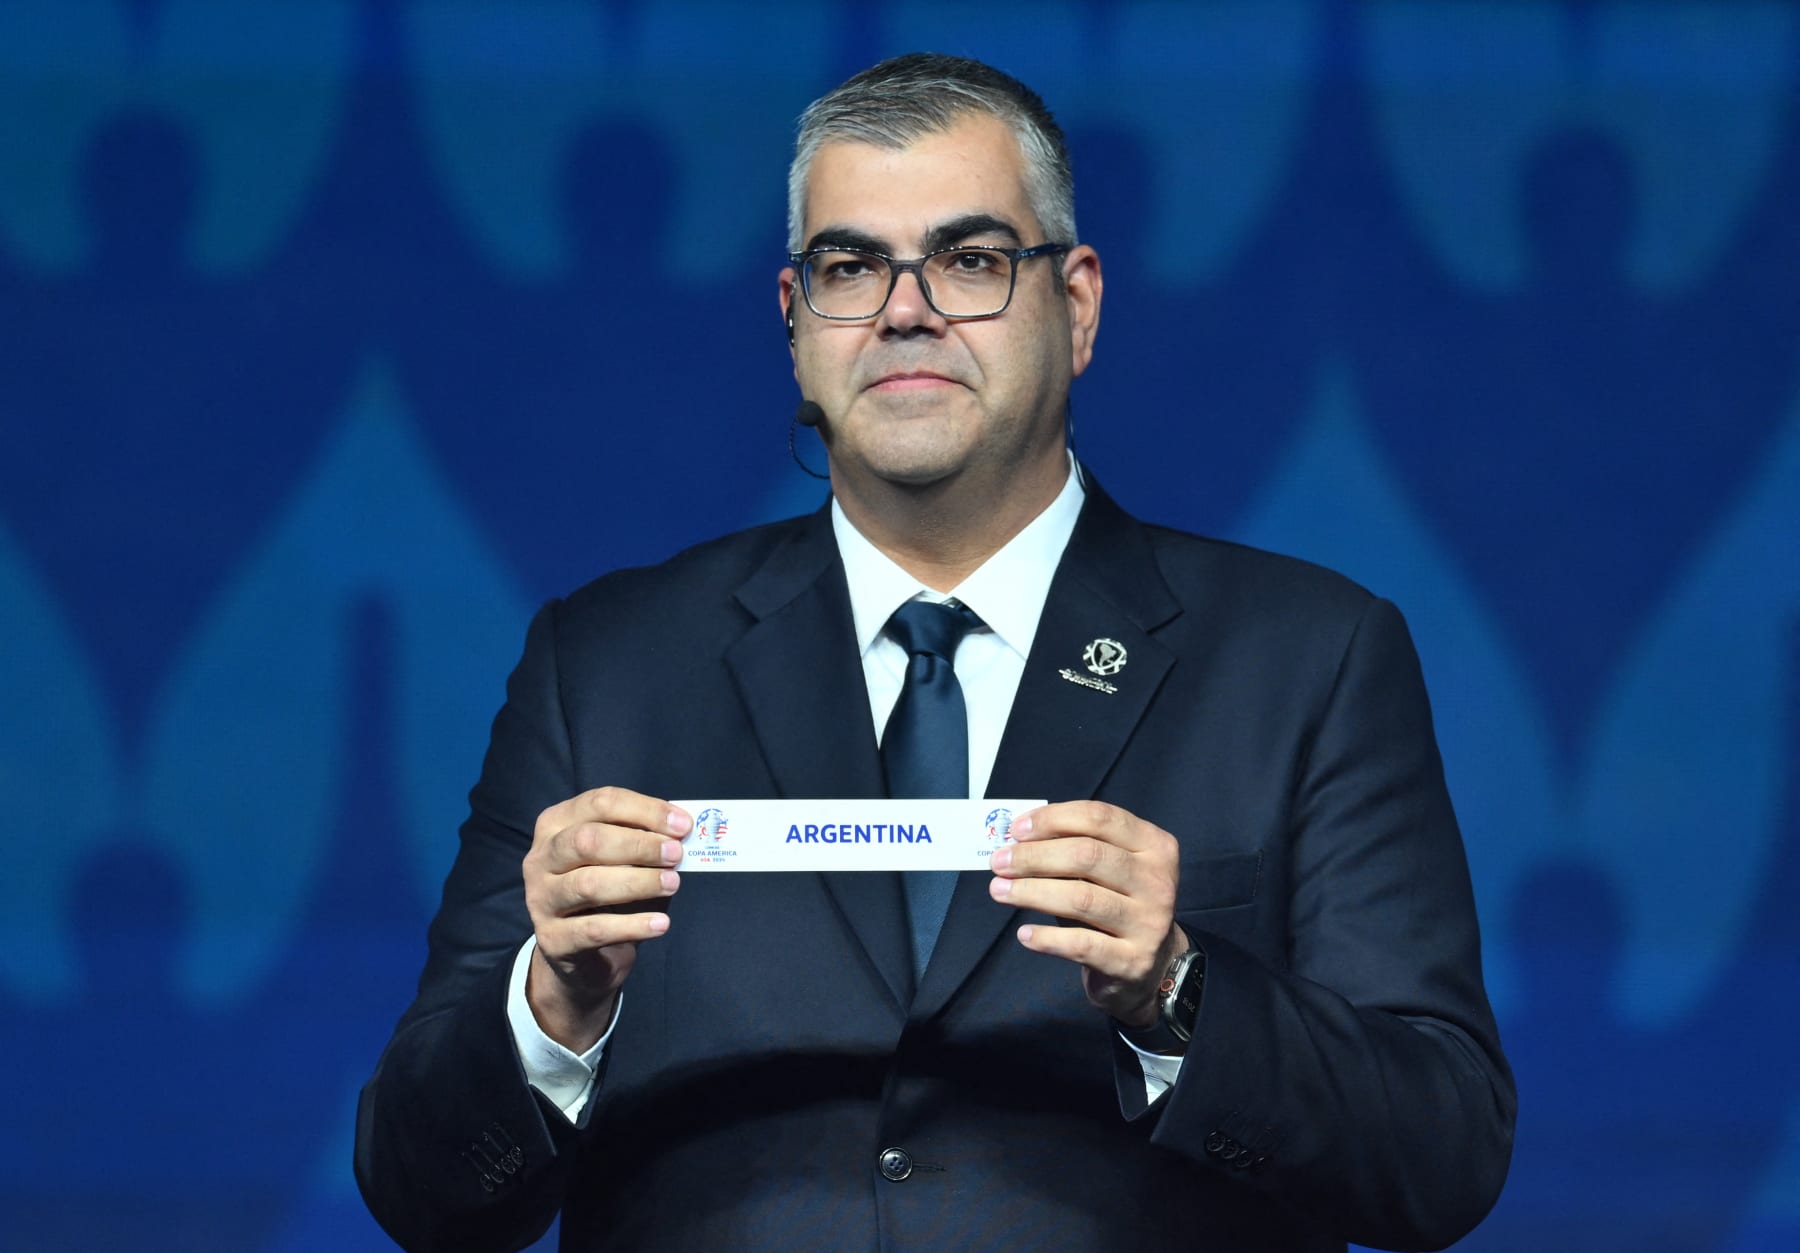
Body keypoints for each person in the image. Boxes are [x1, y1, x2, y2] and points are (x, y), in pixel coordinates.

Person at [354, 53, 1514, 1252]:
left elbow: (1441, 1153)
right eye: (851, 267)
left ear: (1077, 305)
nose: (905, 308)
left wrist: (1180, 991)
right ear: (796, 323)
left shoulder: (1308, 655)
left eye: (969, 260)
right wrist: (554, 1012)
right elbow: (421, 1189)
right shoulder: (602, 663)